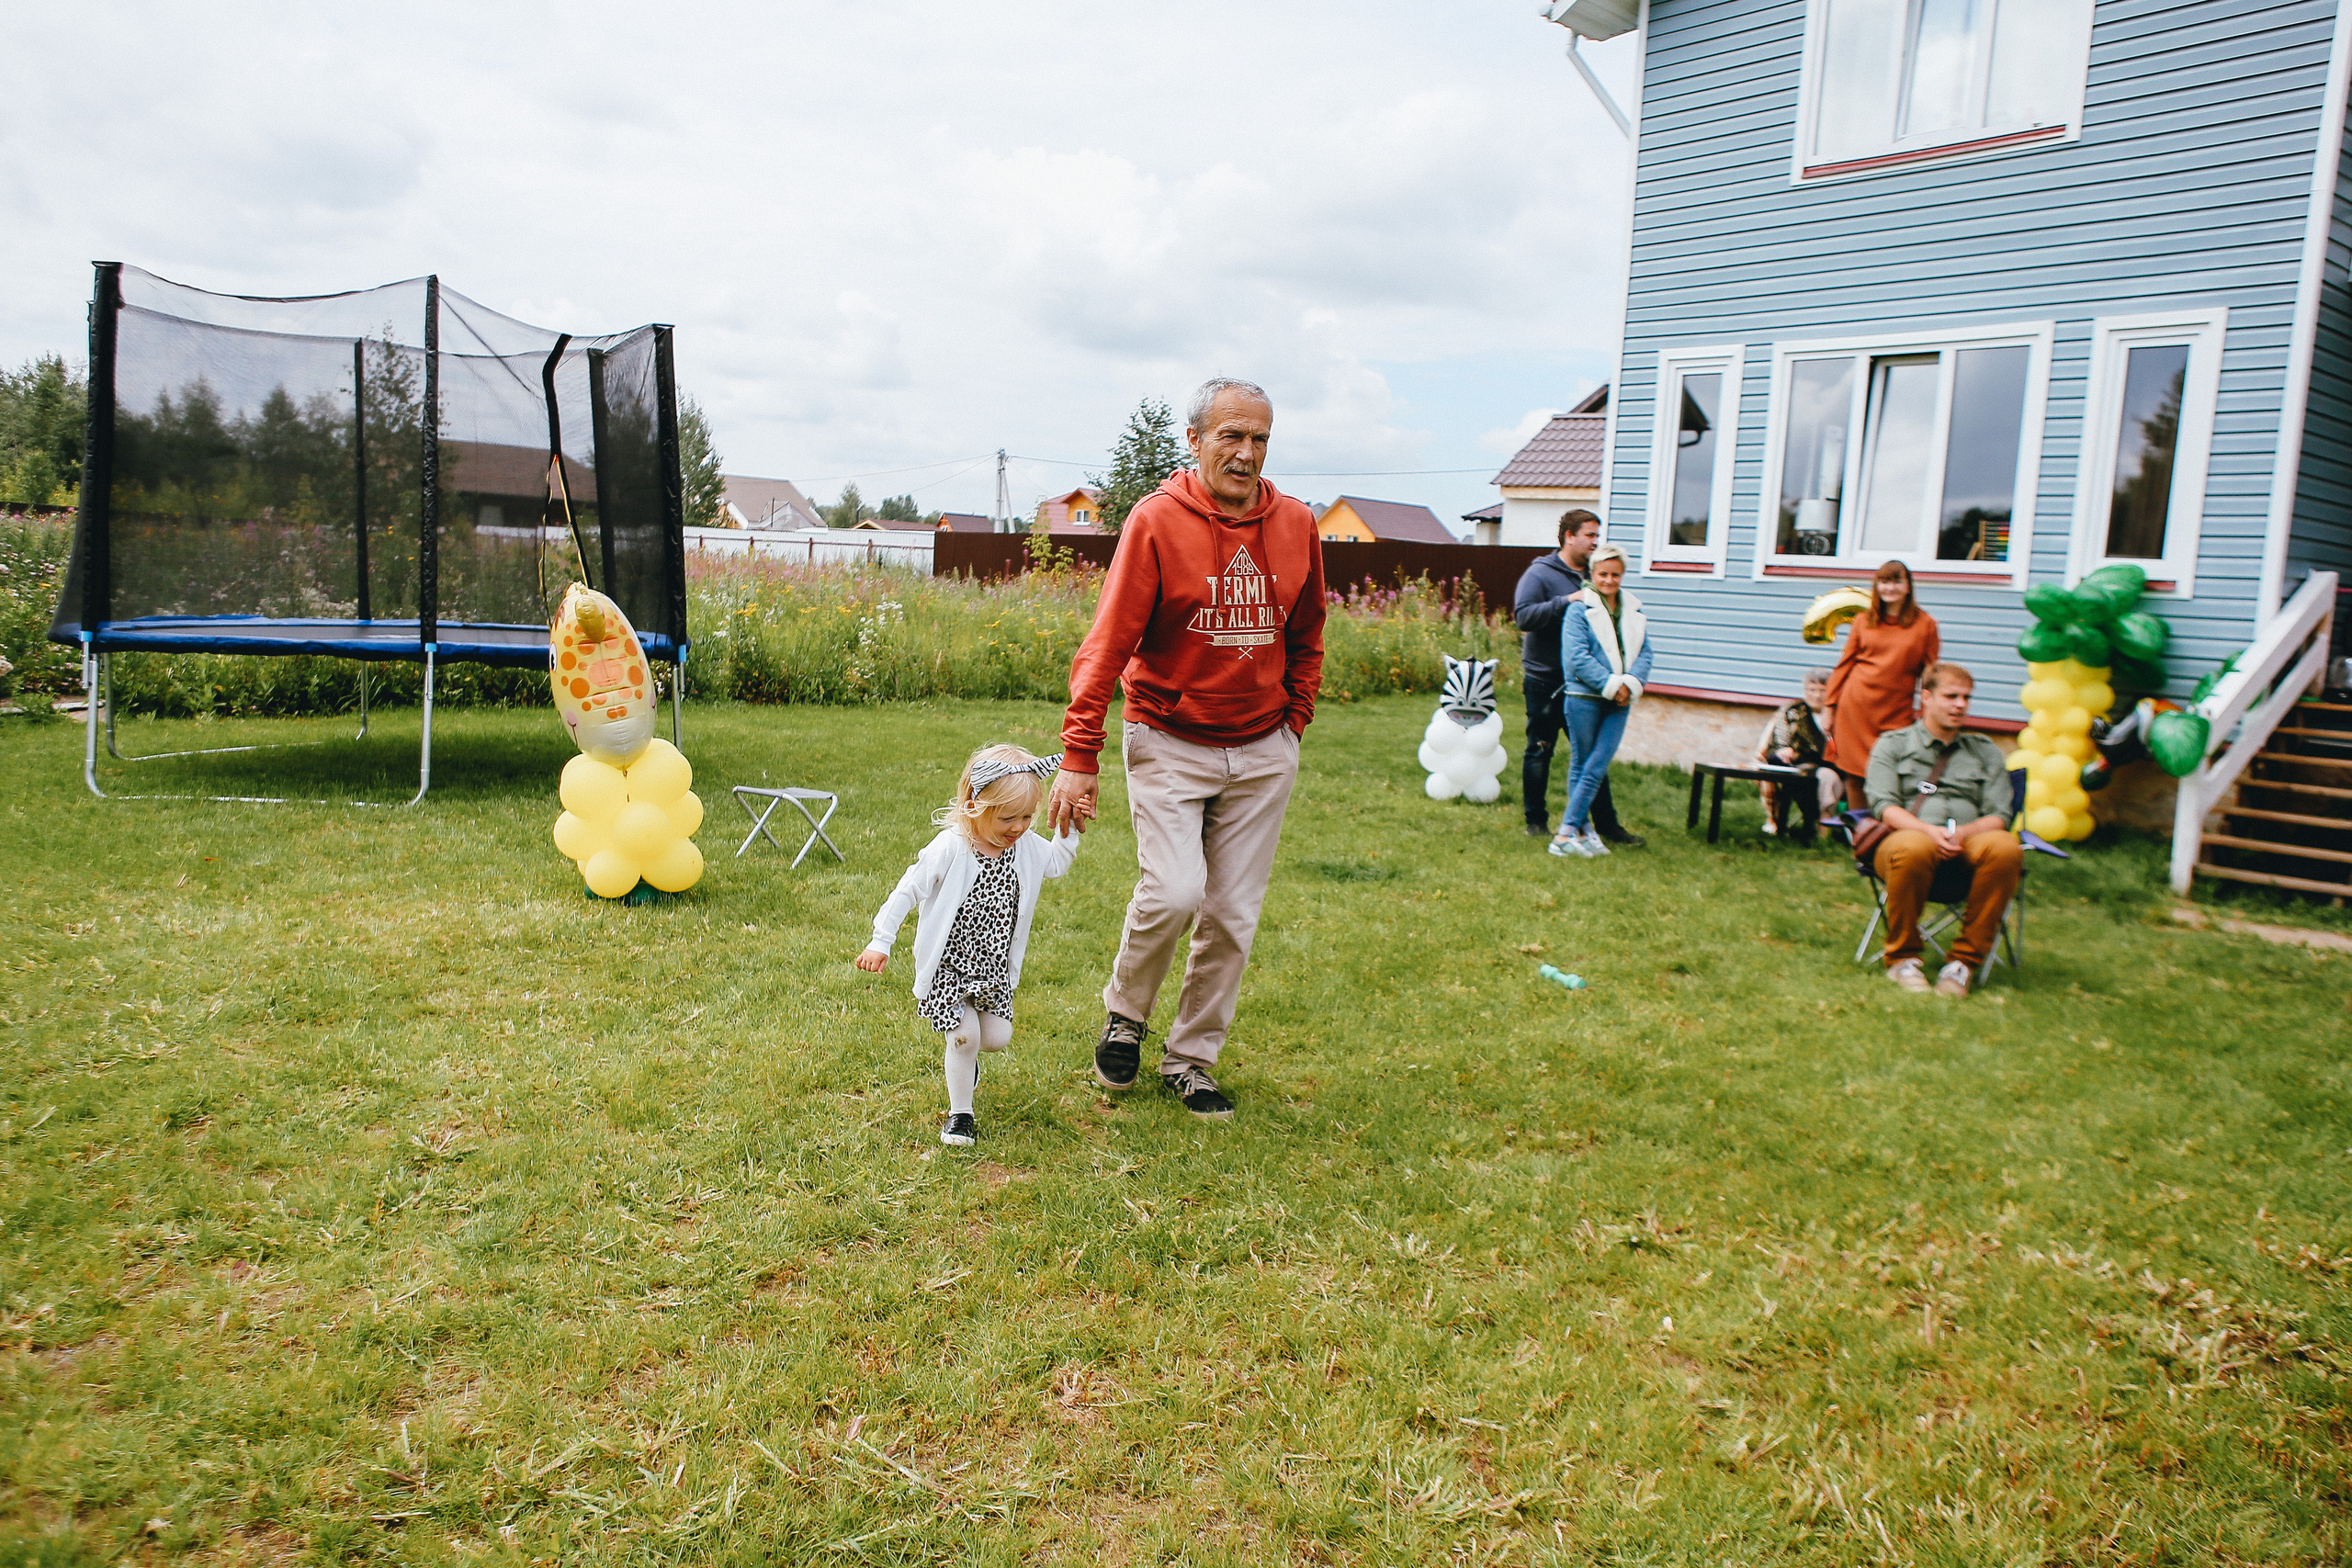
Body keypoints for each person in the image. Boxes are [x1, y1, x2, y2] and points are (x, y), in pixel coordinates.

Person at [1046, 377, 1325, 1122]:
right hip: (1169, 737)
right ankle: (1125, 1016)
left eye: (1259, 438)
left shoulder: (1297, 523)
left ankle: (1192, 1059)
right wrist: (1080, 753)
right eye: (1230, 436)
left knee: (1232, 915)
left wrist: (1292, 722)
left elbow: (1308, 637)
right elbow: (1108, 644)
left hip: (1262, 748)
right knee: (1173, 891)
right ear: (1195, 440)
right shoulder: (1157, 521)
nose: (1246, 452)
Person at [858, 744, 1082, 1145]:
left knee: (995, 1038)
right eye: (1007, 818)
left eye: (1027, 817)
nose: (1018, 827)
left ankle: (968, 1061)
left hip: (993, 968)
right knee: (963, 1037)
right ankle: (961, 1114)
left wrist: (1068, 827)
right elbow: (906, 891)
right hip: (949, 966)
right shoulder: (951, 847)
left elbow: (1057, 864)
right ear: (974, 805)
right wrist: (881, 940)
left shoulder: (1026, 847)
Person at [1864, 662, 2022, 998]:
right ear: (1926, 697)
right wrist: (1928, 831)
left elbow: (2000, 814)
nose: (1961, 704)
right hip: (1903, 846)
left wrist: (1963, 834)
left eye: (1966, 697)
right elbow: (1883, 806)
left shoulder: (1985, 751)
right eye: (1951, 696)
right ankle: (1902, 959)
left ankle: (1962, 964)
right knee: (1913, 846)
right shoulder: (1892, 745)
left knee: (2006, 847)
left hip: (1969, 848)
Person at [1512, 510, 1641, 846]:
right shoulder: (1540, 573)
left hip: (1586, 684)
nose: (1595, 541)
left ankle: (1607, 825)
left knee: (1592, 755)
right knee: (1540, 749)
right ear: (1569, 535)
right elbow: (1523, 616)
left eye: (1597, 536)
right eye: (1589, 535)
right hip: (1546, 679)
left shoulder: (1596, 574)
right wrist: (1566, 601)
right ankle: (1535, 822)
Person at [1548, 544, 1653, 860]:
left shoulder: (1633, 610)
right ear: (1592, 574)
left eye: (1615, 575)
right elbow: (1577, 658)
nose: (1609, 580)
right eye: (1603, 574)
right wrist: (1611, 684)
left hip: (1620, 702)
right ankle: (1567, 833)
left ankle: (1580, 831)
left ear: (1623, 575)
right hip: (1584, 697)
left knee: (1596, 764)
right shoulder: (1579, 610)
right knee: (1586, 765)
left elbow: (1645, 652)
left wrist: (1629, 685)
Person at [1825, 559, 1939, 813]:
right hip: (1855, 708)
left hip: (1896, 711)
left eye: (1897, 581)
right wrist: (1829, 707)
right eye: (1884, 581)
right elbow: (1844, 665)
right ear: (1877, 586)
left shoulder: (1926, 625)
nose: (1890, 588)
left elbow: (1931, 674)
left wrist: (1929, 713)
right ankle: (1860, 832)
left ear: (1908, 586)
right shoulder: (1863, 621)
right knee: (1855, 775)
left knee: (1892, 771)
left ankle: (1886, 831)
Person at [1753, 667, 1838, 836]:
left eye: (1822, 691)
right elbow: (1779, 739)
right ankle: (1815, 826)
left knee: (1831, 778)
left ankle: (1825, 827)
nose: (1817, 696)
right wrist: (1785, 749)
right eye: (1812, 690)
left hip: (1831, 765)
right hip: (1799, 765)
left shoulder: (1838, 714)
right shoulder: (1792, 711)